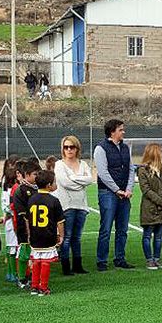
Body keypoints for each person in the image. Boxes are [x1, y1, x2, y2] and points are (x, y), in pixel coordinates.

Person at [95, 119, 134, 271]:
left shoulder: (125, 148)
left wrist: (129, 189)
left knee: (122, 229)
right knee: (106, 228)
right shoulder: (101, 148)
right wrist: (116, 190)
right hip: (107, 193)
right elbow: (103, 172)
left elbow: (131, 169)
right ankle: (101, 260)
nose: (123, 132)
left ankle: (120, 258)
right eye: (121, 130)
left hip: (125, 194)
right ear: (112, 132)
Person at [54, 135, 93, 276]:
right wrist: (79, 182)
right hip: (66, 206)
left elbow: (89, 179)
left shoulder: (83, 164)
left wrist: (74, 179)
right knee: (67, 237)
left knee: (77, 237)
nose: (69, 150)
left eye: (72, 147)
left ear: (77, 148)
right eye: (66, 147)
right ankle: (66, 266)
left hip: (81, 206)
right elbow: (65, 182)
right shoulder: (59, 165)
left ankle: (78, 265)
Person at [26, 170, 64, 295]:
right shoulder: (54, 200)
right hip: (48, 236)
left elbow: (27, 220)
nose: (55, 185)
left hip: (35, 236)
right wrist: (61, 236)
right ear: (49, 185)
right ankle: (43, 287)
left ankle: (34, 286)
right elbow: (60, 222)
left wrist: (29, 234)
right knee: (46, 262)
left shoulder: (31, 199)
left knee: (36, 260)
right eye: (54, 183)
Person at [138, 143, 162, 270]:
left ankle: (157, 259)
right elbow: (146, 190)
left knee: (159, 236)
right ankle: (149, 260)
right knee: (147, 235)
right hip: (150, 208)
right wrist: (161, 201)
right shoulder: (143, 170)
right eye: (161, 152)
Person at [12, 161, 41, 287]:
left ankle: (33, 277)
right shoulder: (21, 191)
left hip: (37, 227)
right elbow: (23, 215)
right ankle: (22, 278)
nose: (37, 177)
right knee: (24, 253)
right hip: (25, 229)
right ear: (27, 175)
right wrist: (29, 231)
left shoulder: (36, 189)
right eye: (35, 174)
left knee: (35, 253)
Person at [0, 156, 20, 283]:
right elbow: (8, 205)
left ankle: (12, 272)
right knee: (13, 246)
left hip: (11, 218)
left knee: (13, 245)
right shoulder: (9, 185)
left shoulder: (9, 184)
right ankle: (12, 272)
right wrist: (7, 216)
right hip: (12, 219)